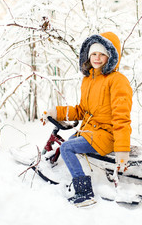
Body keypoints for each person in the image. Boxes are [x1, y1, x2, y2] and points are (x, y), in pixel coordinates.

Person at [41, 32, 133, 207]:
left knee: (67, 147)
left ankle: (84, 192)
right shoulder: (88, 79)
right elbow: (82, 110)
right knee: (69, 143)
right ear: (88, 55)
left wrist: (122, 151)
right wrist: (56, 112)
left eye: (102, 54)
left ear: (111, 56)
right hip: (92, 131)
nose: (97, 58)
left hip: (107, 134)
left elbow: (122, 118)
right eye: (94, 54)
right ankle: (85, 177)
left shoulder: (117, 81)